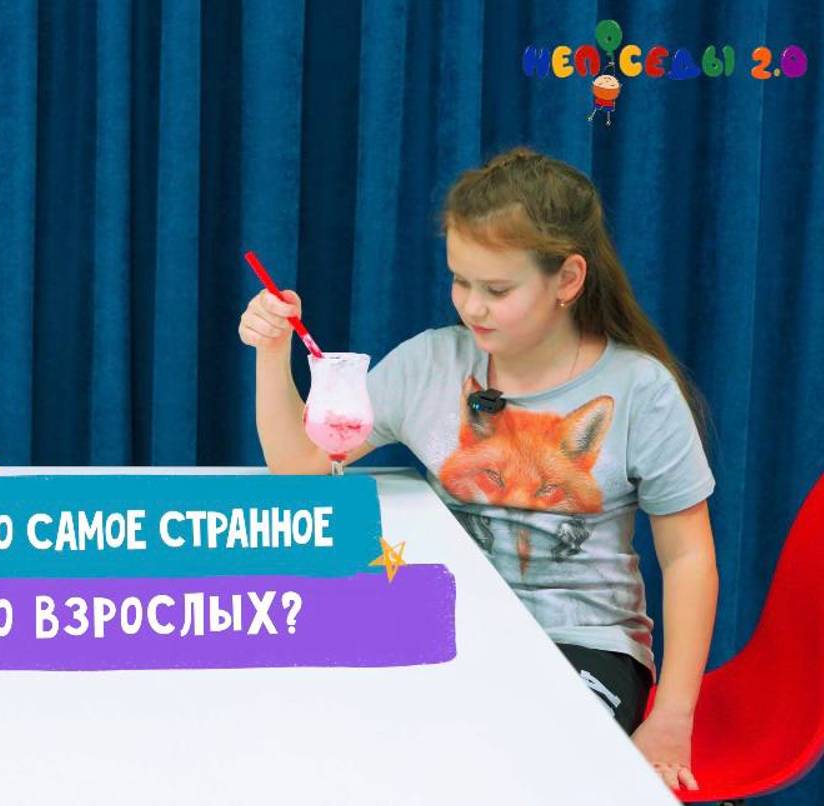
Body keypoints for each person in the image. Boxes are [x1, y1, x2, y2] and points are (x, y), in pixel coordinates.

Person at [239, 147, 717, 793]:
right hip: (446, 630)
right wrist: (272, 351)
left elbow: (688, 558)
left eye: (496, 290)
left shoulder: (640, 390)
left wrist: (673, 718)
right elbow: (298, 466)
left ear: (567, 279)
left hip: (580, 645)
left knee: (513, 773)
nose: (471, 307)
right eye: (459, 282)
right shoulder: (429, 364)